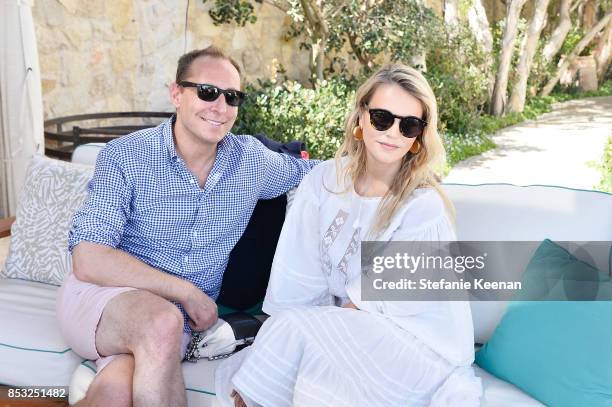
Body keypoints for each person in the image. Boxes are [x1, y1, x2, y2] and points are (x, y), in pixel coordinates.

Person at [56, 46, 318, 407]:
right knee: (161, 321)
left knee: (114, 393)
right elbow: (88, 258)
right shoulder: (126, 155)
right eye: (207, 92)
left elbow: (320, 175)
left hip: (175, 324)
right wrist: (187, 292)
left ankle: (95, 383)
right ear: (176, 93)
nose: (221, 107)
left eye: (232, 97)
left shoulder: (251, 162)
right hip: (102, 300)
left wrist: (407, 175)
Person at [215, 63, 482, 407]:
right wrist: (280, 351)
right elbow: (298, 285)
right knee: (287, 354)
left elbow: (369, 306)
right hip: (339, 331)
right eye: (382, 118)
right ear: (361, 117)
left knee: (295, 356)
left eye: (409, 125)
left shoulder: (423, 206)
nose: (393, 133)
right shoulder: (323, 181)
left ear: (418, 138)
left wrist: (289, 351)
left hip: (417, 352)